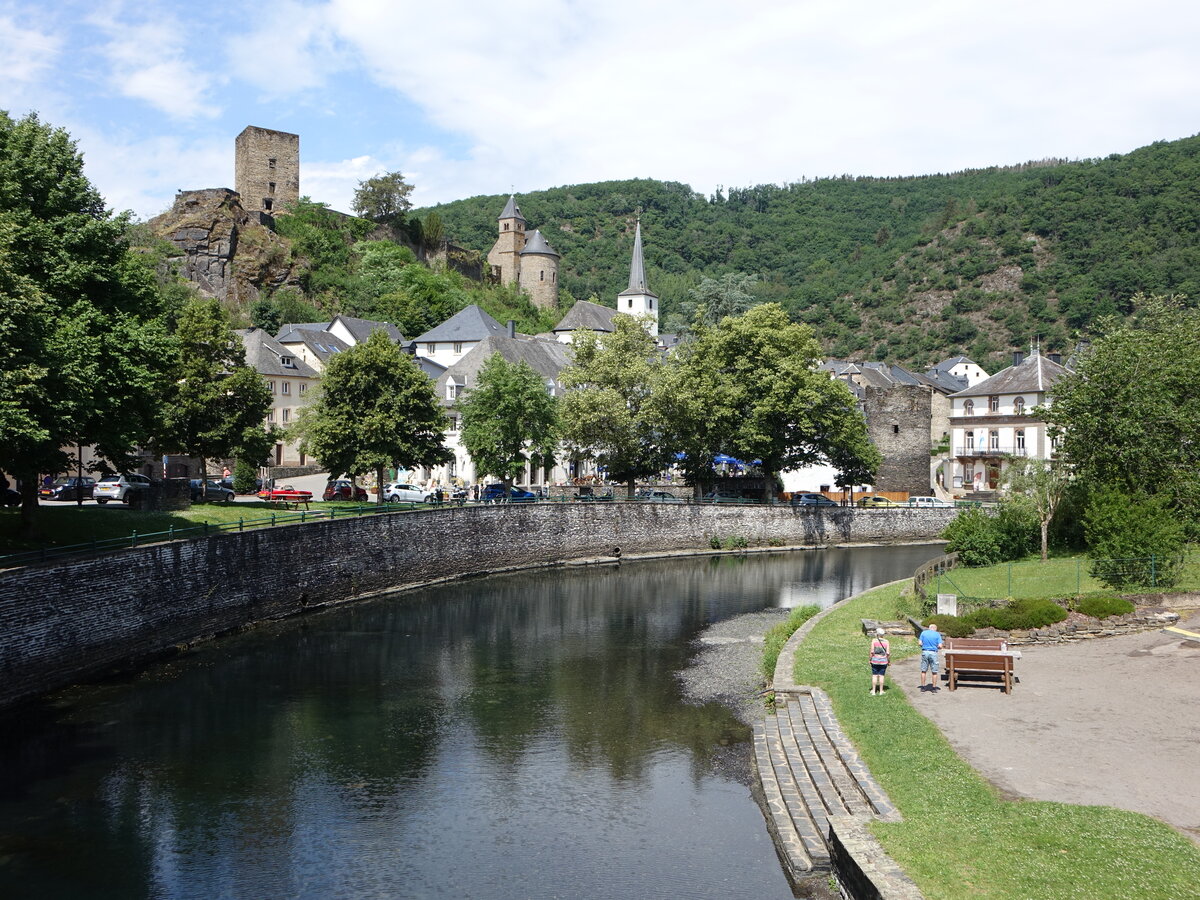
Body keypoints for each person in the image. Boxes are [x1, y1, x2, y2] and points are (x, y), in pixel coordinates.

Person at [919, 622, 944, 691]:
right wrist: (936, 647)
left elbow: (920, 643)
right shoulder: (937, 634)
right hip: (933, 653)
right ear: (935, 629)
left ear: (929, 628)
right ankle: (934, 687)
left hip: (925, 652)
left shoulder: (923, 633)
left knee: (923, 670)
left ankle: (923, 687)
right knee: (934, 671)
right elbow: (940, 646)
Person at [869, 627, 890, 695]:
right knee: (881, 676)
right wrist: (888, 661)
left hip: (875, 660)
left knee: (874, 675)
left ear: (877, 634)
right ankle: (881, 691)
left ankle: (873, 691)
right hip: (883, 661)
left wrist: (870, 659)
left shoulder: (874, 641)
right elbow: (888, 653)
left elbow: (872, 651)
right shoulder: (886, 642)